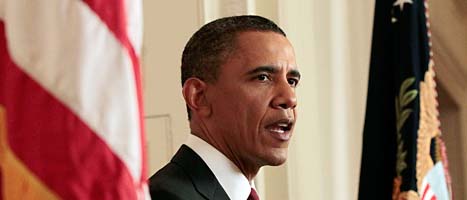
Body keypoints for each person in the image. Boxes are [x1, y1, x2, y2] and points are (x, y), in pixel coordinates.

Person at [149, 15, 300, 200]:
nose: (290, 98)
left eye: (292, 81)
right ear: (199, 97)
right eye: (262, 77)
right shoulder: (164, 197)